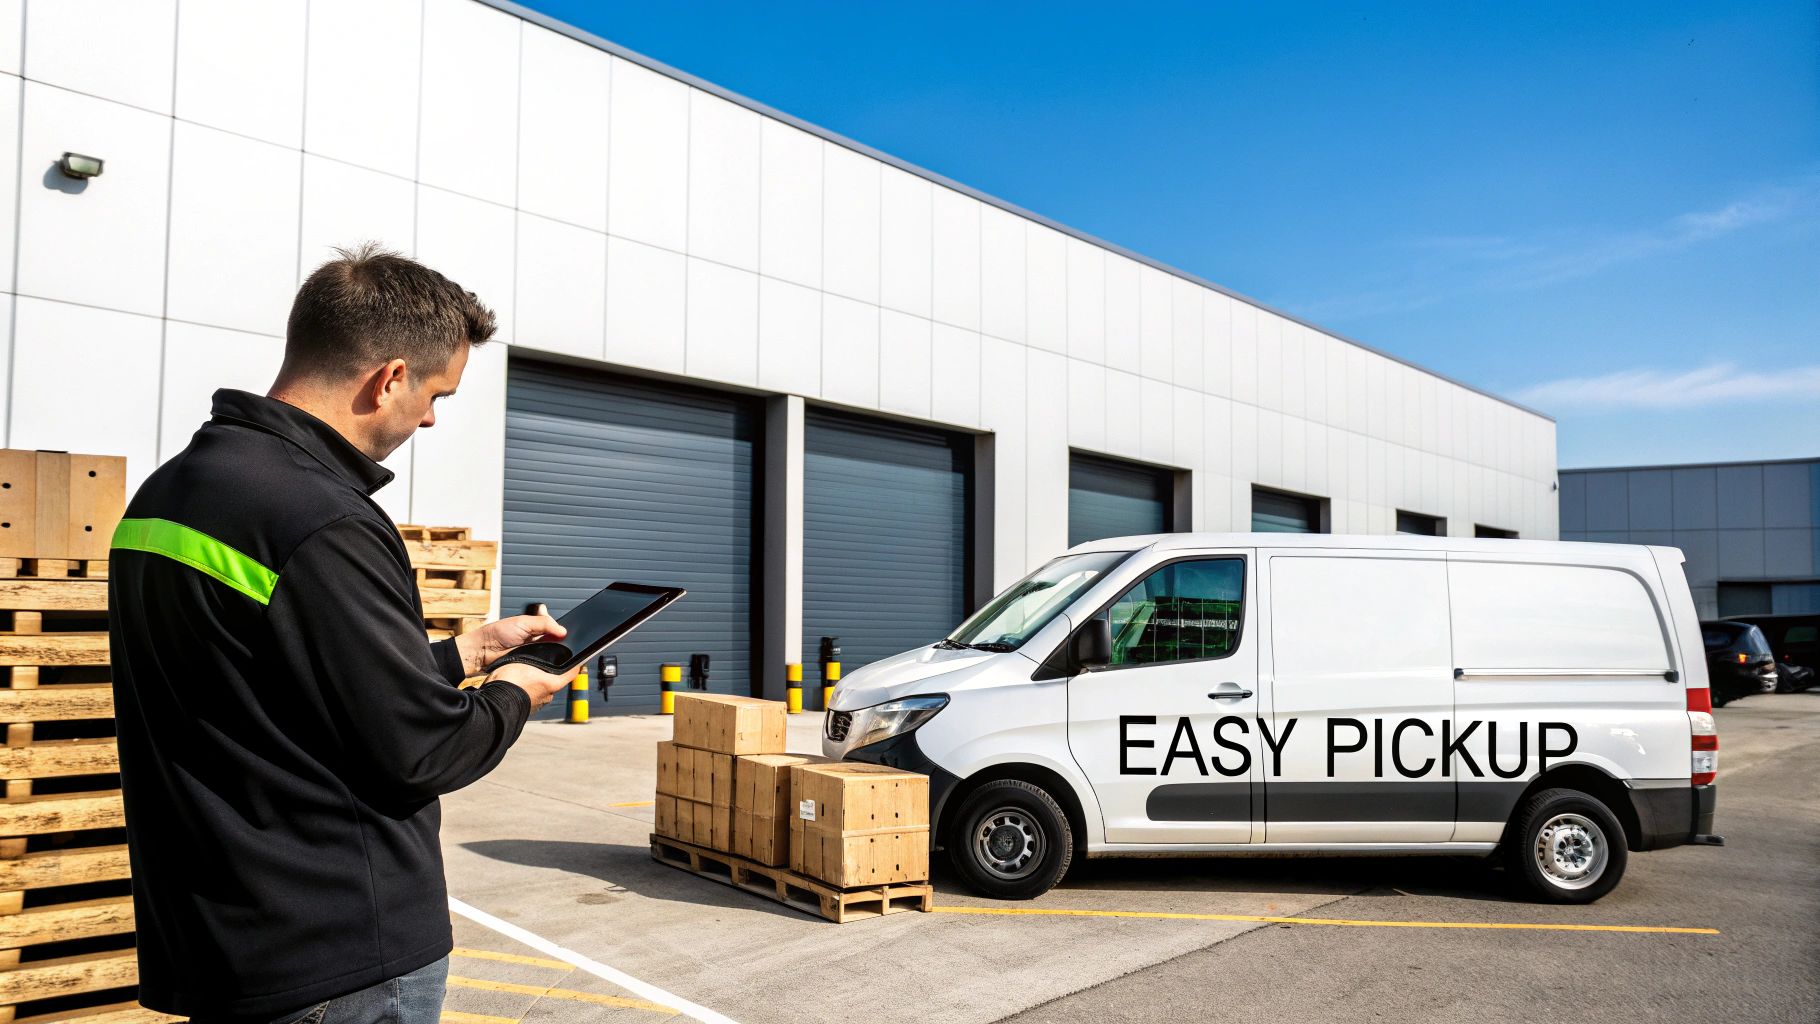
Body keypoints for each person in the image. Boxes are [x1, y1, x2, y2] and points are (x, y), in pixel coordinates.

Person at [107, 244, 578, 1022]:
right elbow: (419, 748)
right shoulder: (323, 518)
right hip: (340, 955)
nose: (429, 417)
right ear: (388, 377)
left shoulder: (175, 490)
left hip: (227, 939)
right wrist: (514, 691)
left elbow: (272, 683)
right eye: (434, 394)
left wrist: (467, 653)